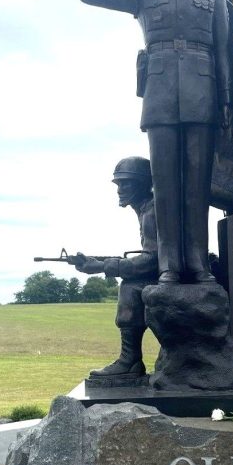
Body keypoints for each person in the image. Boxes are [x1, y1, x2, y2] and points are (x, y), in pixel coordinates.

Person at [79, 0, 231, 284]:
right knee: (164, 186)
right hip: (160, 89)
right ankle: (167, 263)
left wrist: (225, 96)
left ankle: (196, 263)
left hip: (203, 86)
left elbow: (224, 46)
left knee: (197, 185)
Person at [72, 157, 158, 381]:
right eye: (118, 184)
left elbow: (153, 260)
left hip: (174, 277)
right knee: (130, 285)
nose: (119, 190)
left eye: (126, 184)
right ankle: (130, 360)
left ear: (142, 184)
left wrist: (101, 266)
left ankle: (129, 360)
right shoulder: (146, 209)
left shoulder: (152, 213)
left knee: (130, 287)